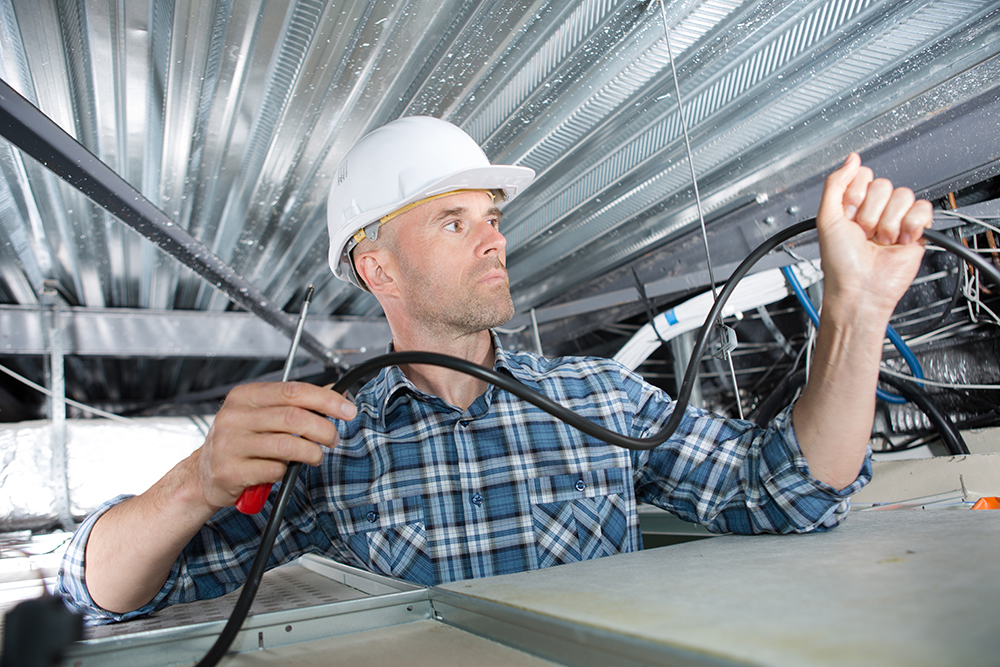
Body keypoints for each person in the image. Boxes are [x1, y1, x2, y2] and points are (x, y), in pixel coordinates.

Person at [57, 117, 932, 623]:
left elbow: (783, 491)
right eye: (452, 219)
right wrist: (197, 480)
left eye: (492, 215)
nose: (494, 235)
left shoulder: (601, 399)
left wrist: (856, 310)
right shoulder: (324, 442)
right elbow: (100, 593)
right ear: (378, 269)